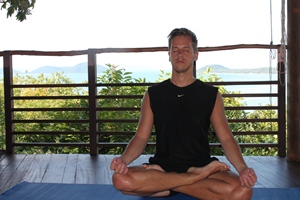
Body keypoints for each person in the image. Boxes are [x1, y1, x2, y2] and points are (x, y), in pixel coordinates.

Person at [110, 28, 257, 199]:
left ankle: (165, 186)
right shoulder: (153, 94)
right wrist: (124, 160)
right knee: (120, 180)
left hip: (198, 165)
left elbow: (226, 138)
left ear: (196, 54)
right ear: (169, 54)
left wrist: (242, 168)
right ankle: (195, 177)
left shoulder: (211, 95)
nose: (180, 54)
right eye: (175, 50)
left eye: (186, 50)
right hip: (163, 166)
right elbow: (141, 138)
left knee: (243, 191)